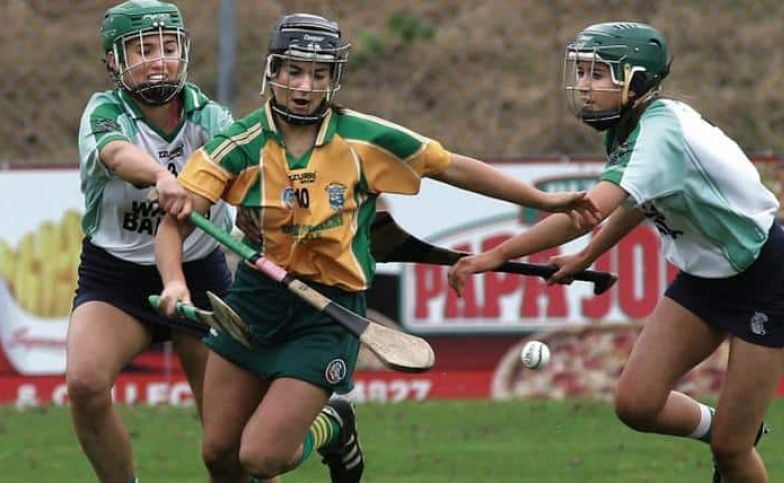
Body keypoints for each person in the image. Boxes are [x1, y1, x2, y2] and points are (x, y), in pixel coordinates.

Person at [153, 12, 598, 483]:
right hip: (254, 303)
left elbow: (454, 168)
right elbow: (175, 221)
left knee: (261, 458)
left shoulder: (363, 139)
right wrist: (174, 281)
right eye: (295, 71)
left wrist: (543, 199)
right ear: (273, 71)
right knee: (220, 455)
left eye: (319, 74)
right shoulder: (239, 145)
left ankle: (334, 426)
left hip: (327, 313)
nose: (305, 86)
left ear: (334, 79)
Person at [448, 22, 784, 483]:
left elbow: (587, 211)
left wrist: (496, 255)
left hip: (765, 284)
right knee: (636, 404)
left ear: (637, 81)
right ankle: (734, 428)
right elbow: (640, 201)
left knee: (730, 449)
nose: (584, 86)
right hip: (703, 282)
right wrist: (586, 255)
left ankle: (734, 435)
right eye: (581, 73)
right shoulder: (630, 125)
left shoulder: (659, 136)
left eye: (598, 74)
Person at [65, 2, 251, 482]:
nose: (158, 60)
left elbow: (241, 169)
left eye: (168, 48)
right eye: (142, 50)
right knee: (85, 385)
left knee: (227, 442)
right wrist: (161, 178)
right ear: (114, 61)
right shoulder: (104, 111)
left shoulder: (209, 116)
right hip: (116, 278)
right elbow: (116, 153)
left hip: (201, 271)